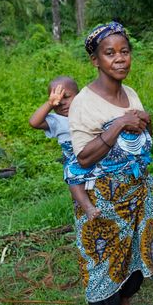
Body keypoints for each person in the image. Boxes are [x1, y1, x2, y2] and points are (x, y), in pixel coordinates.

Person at [68, 21, 153, 305]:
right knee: (104, 264)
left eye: (125, 52)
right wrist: (120, 124)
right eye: (110, 53)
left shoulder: (131, 93)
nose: (120, 59)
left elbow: (138, 131)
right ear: (96, 60)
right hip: (103, 199)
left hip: (134, 193)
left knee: (134, 257)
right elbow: (83, 158)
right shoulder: (84, 102)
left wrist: (142, 120)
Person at [28, 76, 101, 220]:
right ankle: (88, 208)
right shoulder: (57, 120)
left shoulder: (88, 111)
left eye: (66, 97)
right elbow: (34, 122)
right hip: (74, 160)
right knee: (73, 180)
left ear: (79, 95)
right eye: (57, 102)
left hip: (94, 154)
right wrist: (50, 104)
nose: (62, 103)